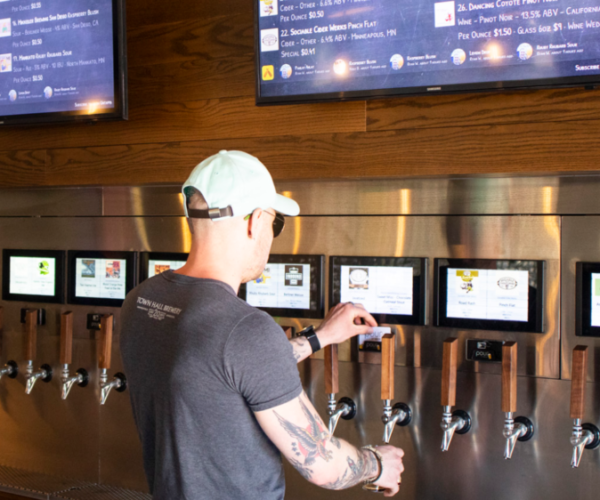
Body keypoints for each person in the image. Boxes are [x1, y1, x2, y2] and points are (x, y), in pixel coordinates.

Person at [120, 150, 405, 499]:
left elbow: (222, 372)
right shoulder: (244, 329)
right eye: (276, 223)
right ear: (256, 221)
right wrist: (377, 463)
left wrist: (322, 337)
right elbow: (323, 464)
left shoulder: (141, 299)